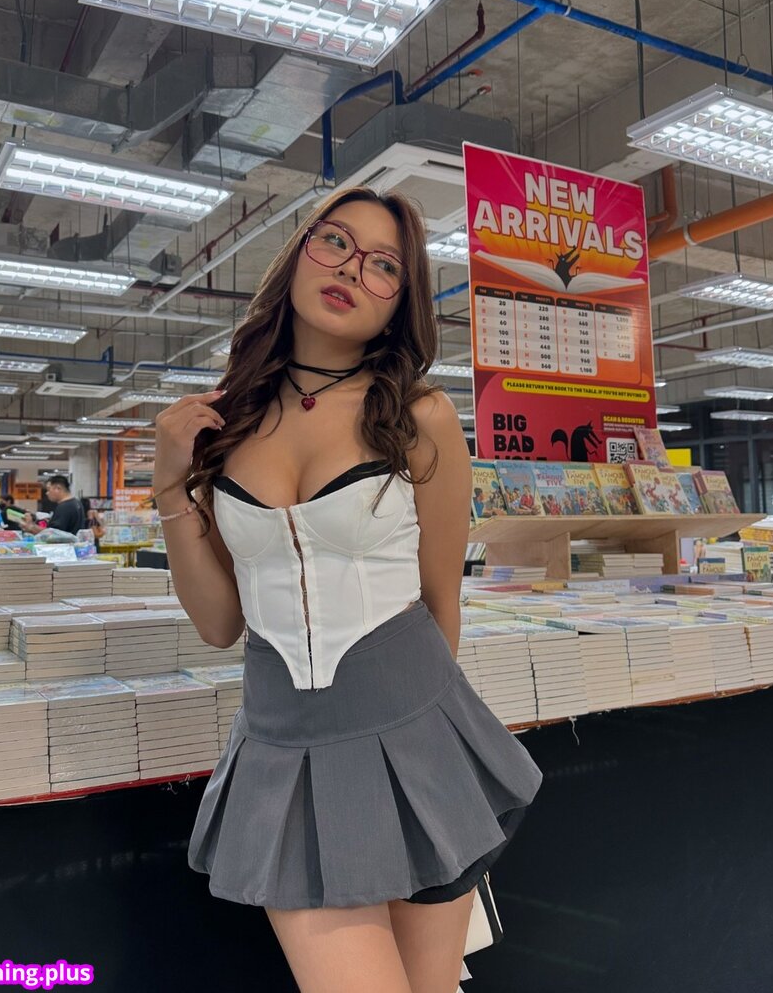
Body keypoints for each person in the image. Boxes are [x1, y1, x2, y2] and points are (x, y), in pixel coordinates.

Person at [154, 187, 543, 993]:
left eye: (383, 266)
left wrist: (430, 750)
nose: (350, 269)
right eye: (334, 242)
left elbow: (440, 601)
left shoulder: (419, 417)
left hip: (417, 735)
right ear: (298, 252)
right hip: (283, 749)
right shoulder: (226, 422)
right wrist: (168, 484)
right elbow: (219, 623)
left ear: (400, 302)